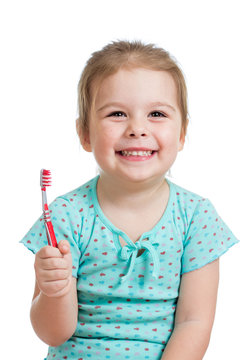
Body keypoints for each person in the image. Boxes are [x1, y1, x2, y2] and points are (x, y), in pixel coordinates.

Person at [20, 40, 239, 360]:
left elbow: (195, 323)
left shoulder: (196, 217)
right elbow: (53, 333)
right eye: (117, 113)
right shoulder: (66, 216)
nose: (137, 128)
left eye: (157, 113)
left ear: (182, 134)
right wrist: (55, 291)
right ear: (84, 133)